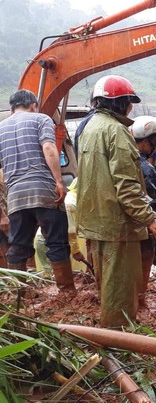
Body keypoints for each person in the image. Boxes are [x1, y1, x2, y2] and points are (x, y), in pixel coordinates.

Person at [77, 75, 156, 327]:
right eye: (129, 103)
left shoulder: (88, 127)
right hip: (117, 223)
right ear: (121, 103)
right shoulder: (116, 131)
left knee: (106, 282)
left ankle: (111, 331)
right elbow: (127, 186)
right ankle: (119, 339)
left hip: (95, 219)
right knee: (121, 287)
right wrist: (149, 219)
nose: (131, 108)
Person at [0, 89, 75, 297]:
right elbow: (49, 147)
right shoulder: (40, 119)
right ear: (33, 105)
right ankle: (67, 294)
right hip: (44, 192)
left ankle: (18, 296)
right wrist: (59, 181)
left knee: (18, 247)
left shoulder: (0, 128)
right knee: (57, 243)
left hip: (16, 198)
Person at [129, 116, 156, 308]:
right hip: (143, 227)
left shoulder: (125, 161)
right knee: (143, 264)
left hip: (125, 227)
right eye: (155, 141)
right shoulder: (145, 168)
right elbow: (153, 204)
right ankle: (139, 305)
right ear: (146, 141)